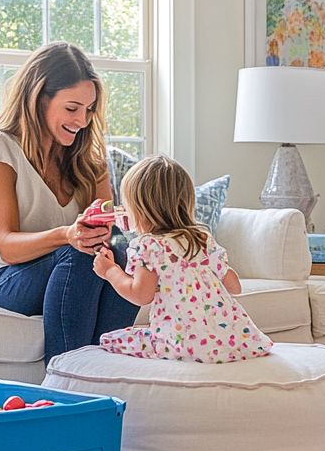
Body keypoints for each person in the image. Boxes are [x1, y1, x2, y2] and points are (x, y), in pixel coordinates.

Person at [0, 42, 138, 361]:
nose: (83, 121)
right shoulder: (0, 149)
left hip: (67, 270)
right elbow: (6, 244)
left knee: (122, 256)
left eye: (89, 110)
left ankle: (106, 373)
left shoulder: (89, 159)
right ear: (38, 99)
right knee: (80, 254)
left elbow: (108, 236)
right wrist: (67, 234)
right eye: (72, 108)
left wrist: (136, 243)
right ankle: (66, 381)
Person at [92, 154, 272, 363]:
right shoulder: (202, 240)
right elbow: (234, 286)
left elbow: (141, 295)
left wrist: (110, 271)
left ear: (140, 209)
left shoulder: (148, 246)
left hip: (178, 342)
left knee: (109, 340)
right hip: (231, 340)